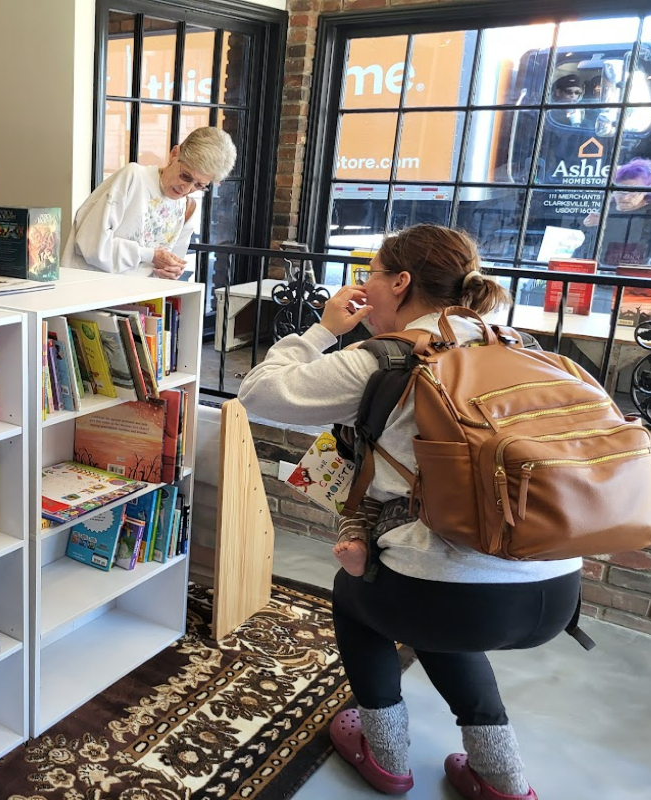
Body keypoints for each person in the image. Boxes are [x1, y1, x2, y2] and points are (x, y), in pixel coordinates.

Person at [238, 224, 582, 800]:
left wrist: (324, 328)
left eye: (370, 274)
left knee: (362, 597)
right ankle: (503, 777)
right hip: (555, 586)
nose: (364, 286)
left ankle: (386, 754)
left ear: (399, 282)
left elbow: (258, 392)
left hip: (445, 597)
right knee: (440, 597)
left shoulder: (386, 359)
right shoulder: (518, 345)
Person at [62, 126, 237, 279]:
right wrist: (150, 255)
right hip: (88, 291)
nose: (186, 188)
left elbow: (170, 265)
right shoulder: (134, 178)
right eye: (185, 176)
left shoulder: (188, 208)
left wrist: (172, 271)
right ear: (174, 154)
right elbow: (90, 244)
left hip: (139, 301)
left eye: (199, 185)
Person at [581, 158, 651, 267]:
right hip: (600, 272)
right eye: (620, 190)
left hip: (632, 274)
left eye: (633, 191)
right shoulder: (607, 208)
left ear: (647, 190)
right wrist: (588, 226)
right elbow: (587, 248)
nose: (625, 197)